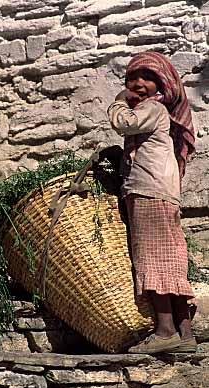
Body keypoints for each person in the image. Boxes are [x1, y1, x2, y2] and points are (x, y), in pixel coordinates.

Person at [107, 51, 196, 354]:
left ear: (161, 86)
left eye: (146, 78)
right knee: (170, 260)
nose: (137, 83)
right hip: (162, 193)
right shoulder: (159, 115)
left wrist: (119, 100)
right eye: (132, 78)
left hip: (148, 192)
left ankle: (164, 330)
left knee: (151, 259)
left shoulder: (151, 109)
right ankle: (185, 334)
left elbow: (125, 124)